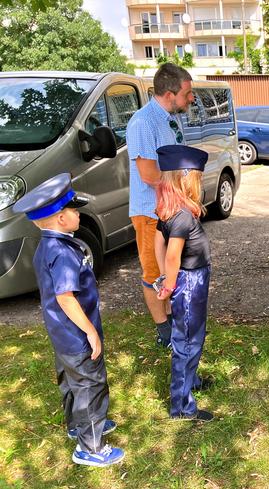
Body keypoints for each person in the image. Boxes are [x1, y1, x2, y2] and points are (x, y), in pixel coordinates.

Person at [12, 174, 125, 467]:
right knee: (90, 383)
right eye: (75, 211)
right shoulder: (62, 252)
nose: (79, 213)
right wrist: (90, 332)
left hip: (61, 332)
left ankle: (78, 425)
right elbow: (65, 297)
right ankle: (90, 447)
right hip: (76, 333)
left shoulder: (47, 246)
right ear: (61, 218)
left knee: (72, 380)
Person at [126, 62, 195, 348]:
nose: (191, 99)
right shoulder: (143, 122)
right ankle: (163, 331)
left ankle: (171, 321)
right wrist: (182, 191)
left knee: (171, 268)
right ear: (169, 93)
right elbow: (149, 174)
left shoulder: (169, 118)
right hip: (149, 212)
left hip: (170, 209)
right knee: (154, 273)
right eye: (187, 93)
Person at [154, 145, 214, 422]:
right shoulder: (181, 217)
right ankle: (182, 406)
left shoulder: (169, 212)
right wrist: (170, 284)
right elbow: (172, 253)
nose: (198, 186)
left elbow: (158, 244)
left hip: (190, 281)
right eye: (197, 180)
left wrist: (167, 278)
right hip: (189, 284)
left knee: (191, 337)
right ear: (185, 180)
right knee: (188, 341)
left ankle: (192, 381)